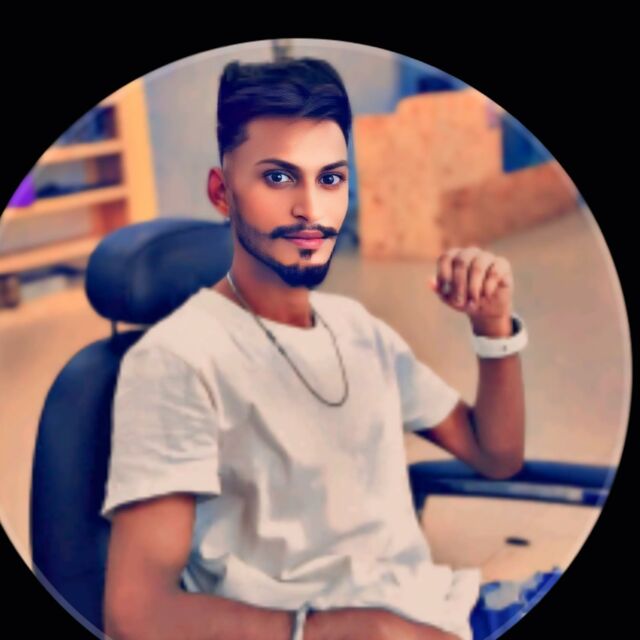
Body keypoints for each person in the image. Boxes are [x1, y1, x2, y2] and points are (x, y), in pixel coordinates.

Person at [100, 56, 543, 640]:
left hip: (445, 611)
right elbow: (136, 615)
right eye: (279, 178)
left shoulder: (357, 327)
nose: (311, 210)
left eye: (330, 179)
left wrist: (493, 328)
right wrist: (356, 629)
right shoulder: (177, 359)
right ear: (222, 193)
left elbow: (497, 456)